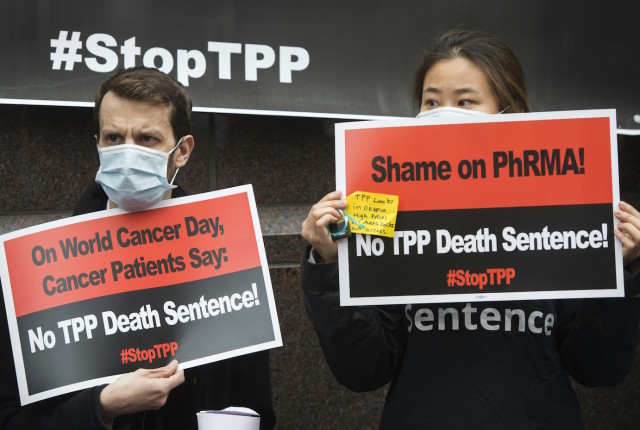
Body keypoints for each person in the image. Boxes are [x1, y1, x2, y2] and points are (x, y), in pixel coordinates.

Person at [300, 29, 640, 429]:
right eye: (431, 101)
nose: (445, 111)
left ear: (509, 112)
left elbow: (597, 367)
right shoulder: (378, 205)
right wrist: (328, 261)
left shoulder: (562, 210)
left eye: (464, 101)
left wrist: (624, 269)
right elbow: (363, 369)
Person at [0, 67, 275, 429]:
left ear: (183, 151)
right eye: (114, 137)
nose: (127, 154)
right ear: (97, 142)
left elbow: (253, 408)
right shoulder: (39, 269)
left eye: (146, 139)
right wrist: (101, 407)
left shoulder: (227, 259)